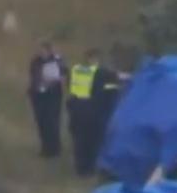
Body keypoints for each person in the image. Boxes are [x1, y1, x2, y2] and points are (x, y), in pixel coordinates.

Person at [67, 49, 123, 177]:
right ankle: (87, 168)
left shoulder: (79, 71)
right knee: (91, 142)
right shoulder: (105, 74)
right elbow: (112, 95)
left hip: (81, 113)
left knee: (83, 142)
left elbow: (72, 91)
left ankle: (83, 168)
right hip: (93, 114)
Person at [28, 41, 66, 158]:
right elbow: (33, 75)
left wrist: (60, 79)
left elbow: (64, 75)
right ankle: (45, 148)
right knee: (41, 121)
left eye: (44, 50)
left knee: (52, 121)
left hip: (53, 95)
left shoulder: (57, 61)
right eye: (40, 50)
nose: (42, 53)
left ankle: (55, 148)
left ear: (49, 51)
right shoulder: (35, 61)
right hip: (38, 95)